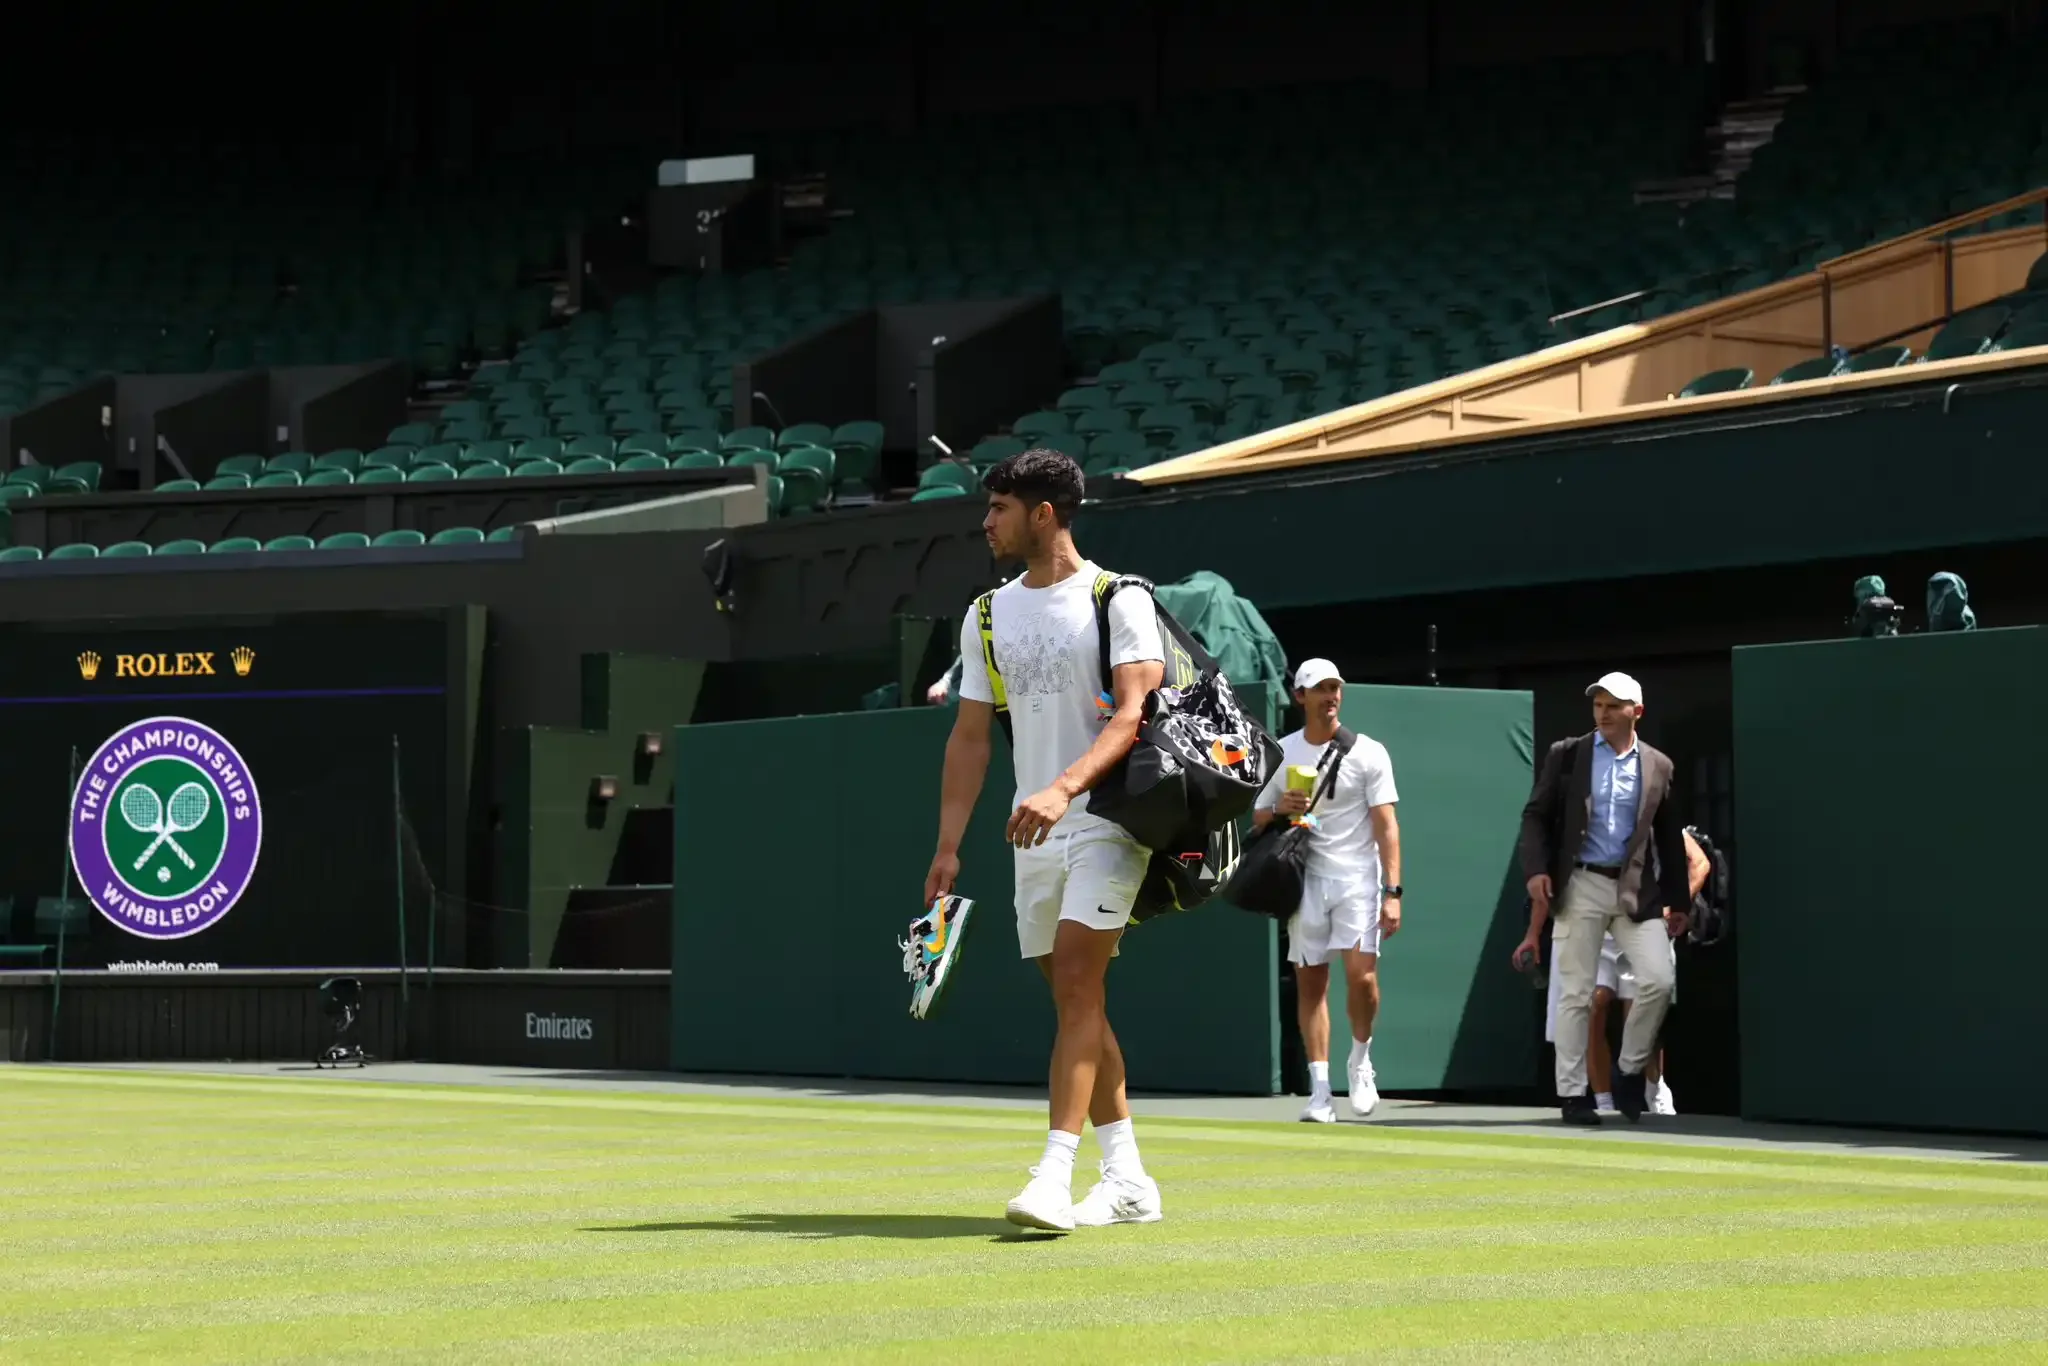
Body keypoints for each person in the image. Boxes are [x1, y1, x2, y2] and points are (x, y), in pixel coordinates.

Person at [924, 448, 1166, 1233]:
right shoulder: (985, 614)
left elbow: (1131, 719)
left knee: (1073, 982)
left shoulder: (1119, 597)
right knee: (1077, 1000)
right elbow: (969, 739)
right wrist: (947, 848)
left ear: (1044, 514)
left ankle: (1053, 1177)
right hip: (1031, 834)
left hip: (1105, 819)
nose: (985, 522)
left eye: (998, 508)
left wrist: (1065, 787)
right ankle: (1128, 1180)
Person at [1515, 671, 1690, 1125]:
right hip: (1582, 883)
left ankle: (1631, 1070)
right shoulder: (1568, 755)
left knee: (1659, 980)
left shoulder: (1659, 765)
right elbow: (1535, 816)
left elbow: (1669, 839)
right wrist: (1536, 871)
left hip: (1636, 890)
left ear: (1638, 712)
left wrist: (1680, 903)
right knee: (1575, 994)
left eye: (1614, 705)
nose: (1604, 713)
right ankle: (1573, 1095)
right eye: (1599, 705)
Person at [1253, 659, 1401, 1123]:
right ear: (1300, 697)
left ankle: (1360, 1059)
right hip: (1306, 878)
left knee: (1363, 979)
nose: (1330, 696)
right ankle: (1320, 1092)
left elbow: (1387, 826)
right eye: (1320, 689)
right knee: (1311, 981)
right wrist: (1282, 806)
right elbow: (1258, 816)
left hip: (1358, 877)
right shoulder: (1283, 751)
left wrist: (1392, 889)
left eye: (1336, 688)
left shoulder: (1370, 753)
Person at [1542, 826, 1707, 1115]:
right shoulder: (1582, 818)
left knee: (1643, 1009)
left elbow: (1700, 863)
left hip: (1641, 917)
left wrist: (1675, 905)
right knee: (1594, 1003)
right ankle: (1604, 1100)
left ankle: (1653, 1088)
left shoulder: (1650, 809)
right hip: (1593, 920)